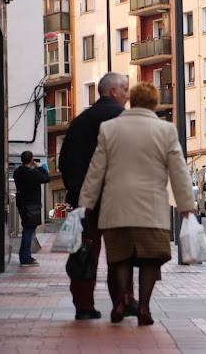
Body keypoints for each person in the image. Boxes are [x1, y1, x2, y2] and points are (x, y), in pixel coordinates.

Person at [78, 82, 196, 326]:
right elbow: (179, 171)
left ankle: (121, 297)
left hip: (115, 206)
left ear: (132, 101)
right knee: (150, 259)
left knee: (120, 257)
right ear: (154, 103)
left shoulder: (109, 128)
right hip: (151, 208)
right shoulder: (165, 130)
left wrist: (85, 203)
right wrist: (186, 206)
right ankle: (143, 308)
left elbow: (95, 170)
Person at [59, 72, 136, 321]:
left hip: (86, 203)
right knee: (121, 255)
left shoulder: (80, 121)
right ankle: (123, 301)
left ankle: (84, 305)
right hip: (118, 201)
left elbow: (65, 161)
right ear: (112, 91)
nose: (128, 94)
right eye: (124, 89)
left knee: (84, 252)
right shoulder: (124, 119)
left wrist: (79, 193)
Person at [13, 151, 50, 266]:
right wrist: (40, 167)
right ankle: (25, 258)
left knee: (26, 229)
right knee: (28, 231)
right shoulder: (33, 173)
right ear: (31, 160)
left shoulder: (17, 172)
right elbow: (46, 178)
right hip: (32, 205)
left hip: (22, 203)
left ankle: (24, 255)